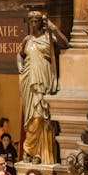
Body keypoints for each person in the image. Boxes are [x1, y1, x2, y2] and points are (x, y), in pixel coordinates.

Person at [18, 11, 68, 164]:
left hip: (43, 81)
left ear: (41, 22)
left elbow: (65, 44)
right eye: (31, 21)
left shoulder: (48, 38)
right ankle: (31, 153)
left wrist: (54, 29)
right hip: (29, 82)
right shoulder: (27, 40)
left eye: (36, 21)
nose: (33, 24)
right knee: (31, 116)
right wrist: (20, 66)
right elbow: (19, 54)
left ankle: (36, 151)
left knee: (40, 116)